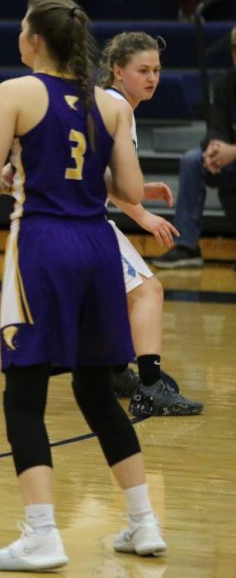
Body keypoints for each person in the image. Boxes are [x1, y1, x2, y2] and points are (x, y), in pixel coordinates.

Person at [0, 0, 166, 571]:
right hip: (97, 246)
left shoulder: (15, 92)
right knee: (96, 390)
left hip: (43, 244)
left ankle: (41, 534)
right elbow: (129, 190)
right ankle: (143, 522)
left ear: (34, 38)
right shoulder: (108, 103)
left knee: (24, 395)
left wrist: (15, 174)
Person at [97, 32, 204, 416]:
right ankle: (150, 386)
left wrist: (140, 190)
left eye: (157, 70)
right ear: (117, 70)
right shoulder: (117, 108)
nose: (152, 78)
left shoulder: (111, 104)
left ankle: (112, 371)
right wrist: (142, 213)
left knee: (112, 293)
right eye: (142, 70)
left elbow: (95, 171)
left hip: (67, 219)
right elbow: (97, 176)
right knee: (148, 292)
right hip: (84, 220)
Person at [152, 25, 236, 268]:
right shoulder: (224, 83)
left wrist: (233, 152)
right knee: (192, 160)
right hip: (230, 160)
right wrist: (214, 148)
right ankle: (187, 247)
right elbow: (217, 125)